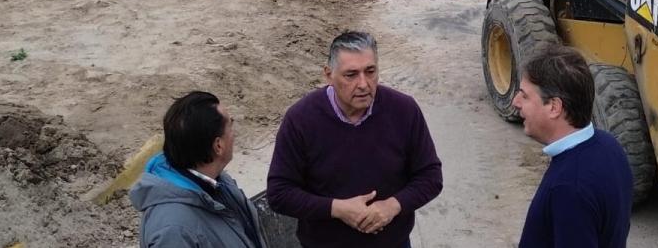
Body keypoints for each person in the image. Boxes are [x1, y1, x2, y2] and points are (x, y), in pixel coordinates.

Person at [266, 31, 443, 248]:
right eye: (351, 75)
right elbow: (279, 193)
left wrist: (391, 206)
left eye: (370, 71)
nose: (363, 84)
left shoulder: (404, 110)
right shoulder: (301, 119)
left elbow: (430, 176)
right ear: (328, 75)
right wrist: (338, 209)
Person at [513, 46, 633, 248]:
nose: (516, 102)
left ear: (554, 107)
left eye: (524, 96)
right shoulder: (609, 146)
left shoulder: (569, 188)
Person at [130, 91, 268, 248]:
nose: (234, 134)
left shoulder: (217, 180)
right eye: (231, 125)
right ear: (218, 146)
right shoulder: (173, 232)